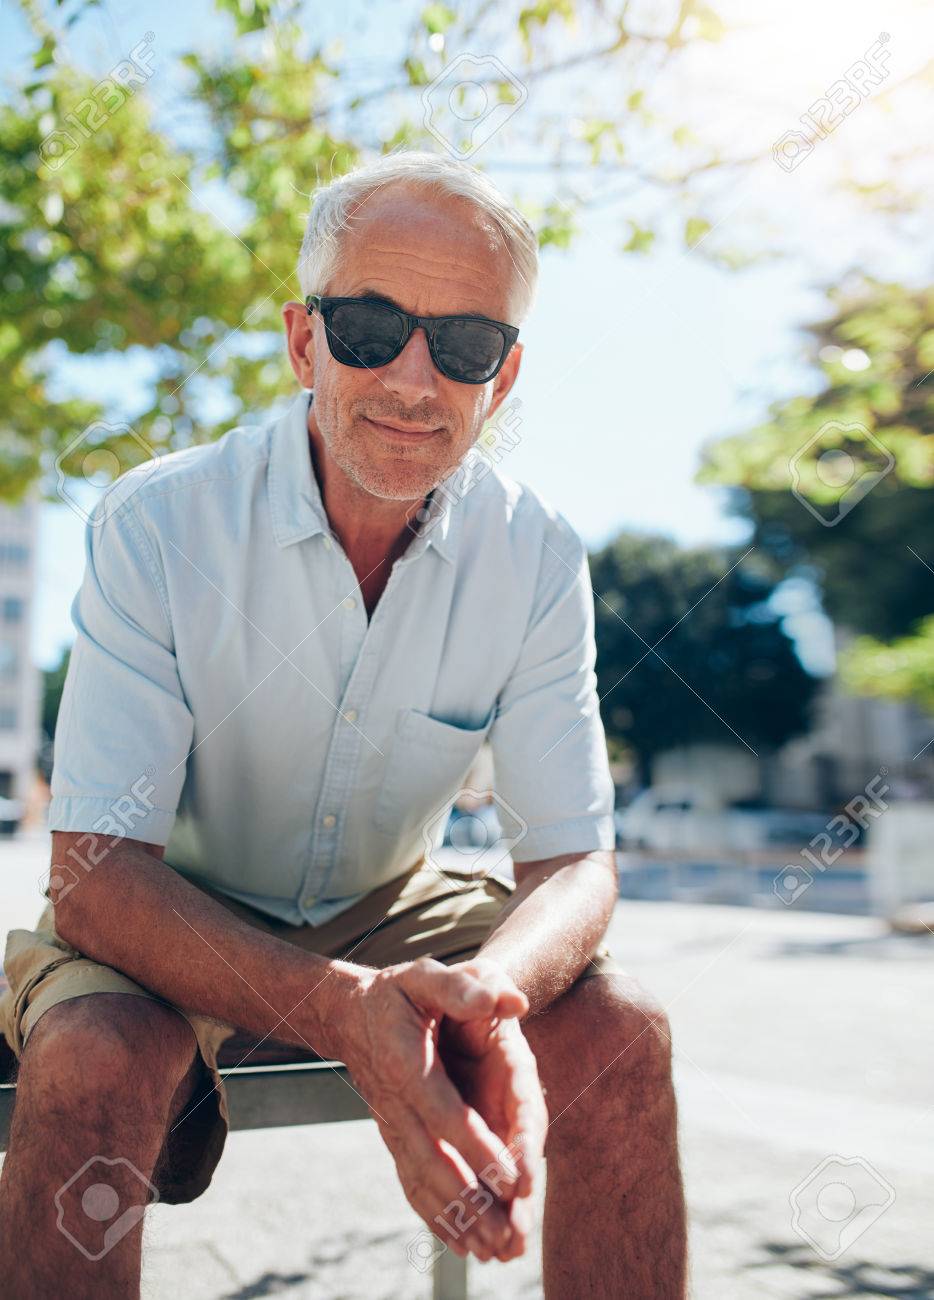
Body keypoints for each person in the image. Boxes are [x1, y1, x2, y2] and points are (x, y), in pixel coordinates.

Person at [0, 150, 686, 1298]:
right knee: (95, 1058)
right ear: (303, 340)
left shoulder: (536, 553)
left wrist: (488, 996)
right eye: (370, 326)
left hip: (390, 904)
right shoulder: (158, 523)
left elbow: (574, 862)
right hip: (169, 903)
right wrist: (347, 1013)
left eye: (461, 346)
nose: (415, 381)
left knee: (624, 1033)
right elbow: (97, 873)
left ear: (501, 379)